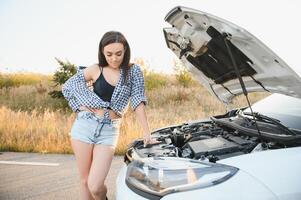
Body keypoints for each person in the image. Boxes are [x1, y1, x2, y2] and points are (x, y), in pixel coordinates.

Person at [62, 31, 159, 200]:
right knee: (85, 181)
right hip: (84, 126)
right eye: (109, 54)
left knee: (96, 186)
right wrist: (79, 106)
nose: (114, 58)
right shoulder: (95, 69)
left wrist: (146, 132)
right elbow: (68, 86)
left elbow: (138, 100)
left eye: (118, 54)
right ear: (102, 52)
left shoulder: (133, 71)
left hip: (109, 131)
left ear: (125, 50)